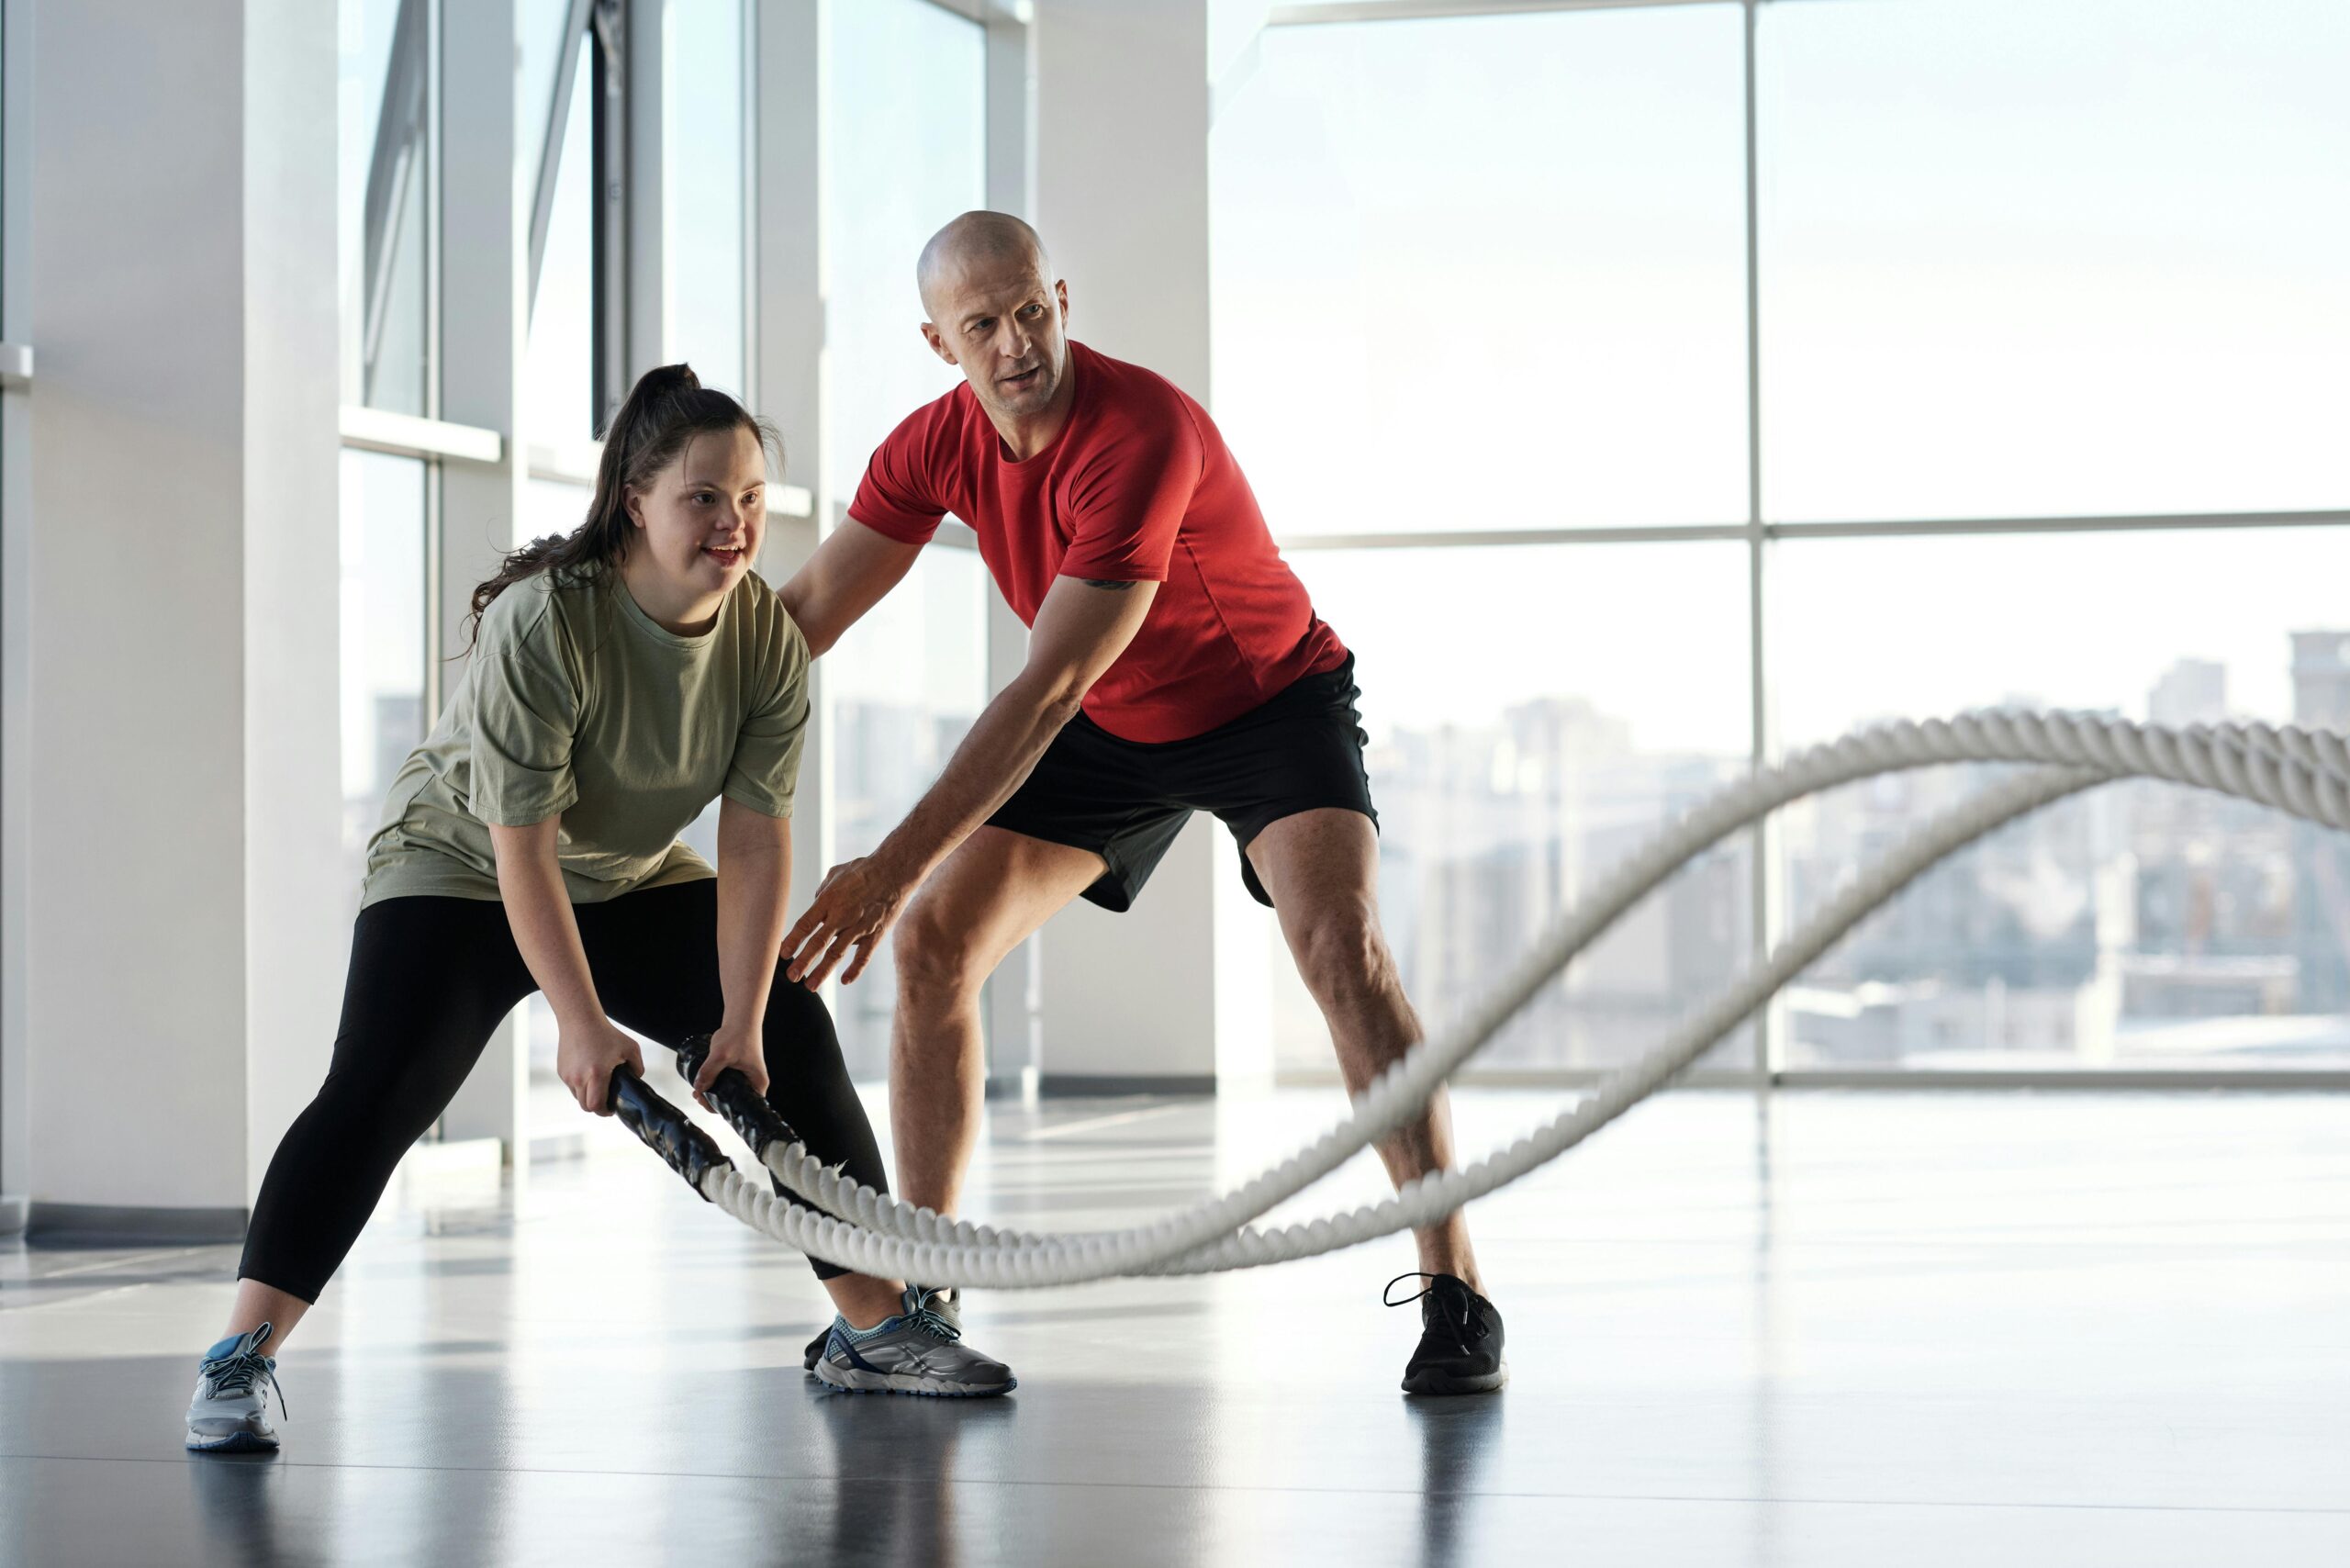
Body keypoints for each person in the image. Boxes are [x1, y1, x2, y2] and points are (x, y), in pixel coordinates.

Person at [186, 365, 1013, 1455]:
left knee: (796, 1029)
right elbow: (519, 846)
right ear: (636, 498)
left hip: (623, 870)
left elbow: (756, 836)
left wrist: (742, 1017)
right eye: (705, 497)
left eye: (753, 498)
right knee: (381, 1087)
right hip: (463, 864)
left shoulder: (762, 636)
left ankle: (873, 1329)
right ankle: (240, 1358)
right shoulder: (547, 621)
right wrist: (580, 1022)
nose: (736, 523)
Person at [776, 213, 1505, 1396]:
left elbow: (1048, 684)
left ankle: (1455, 1286)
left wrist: (885, 862)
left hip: (1265, 702)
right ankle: (918, 1303)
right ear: (937, 343)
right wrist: (648, 704)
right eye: (981, 326)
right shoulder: (930, 446)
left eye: (1030, 310)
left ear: (1059, 296)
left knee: (1341, 949)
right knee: (936, 946)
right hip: (1115, 725)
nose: (1015, 343)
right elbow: (801, 614)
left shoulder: (1141, 432)